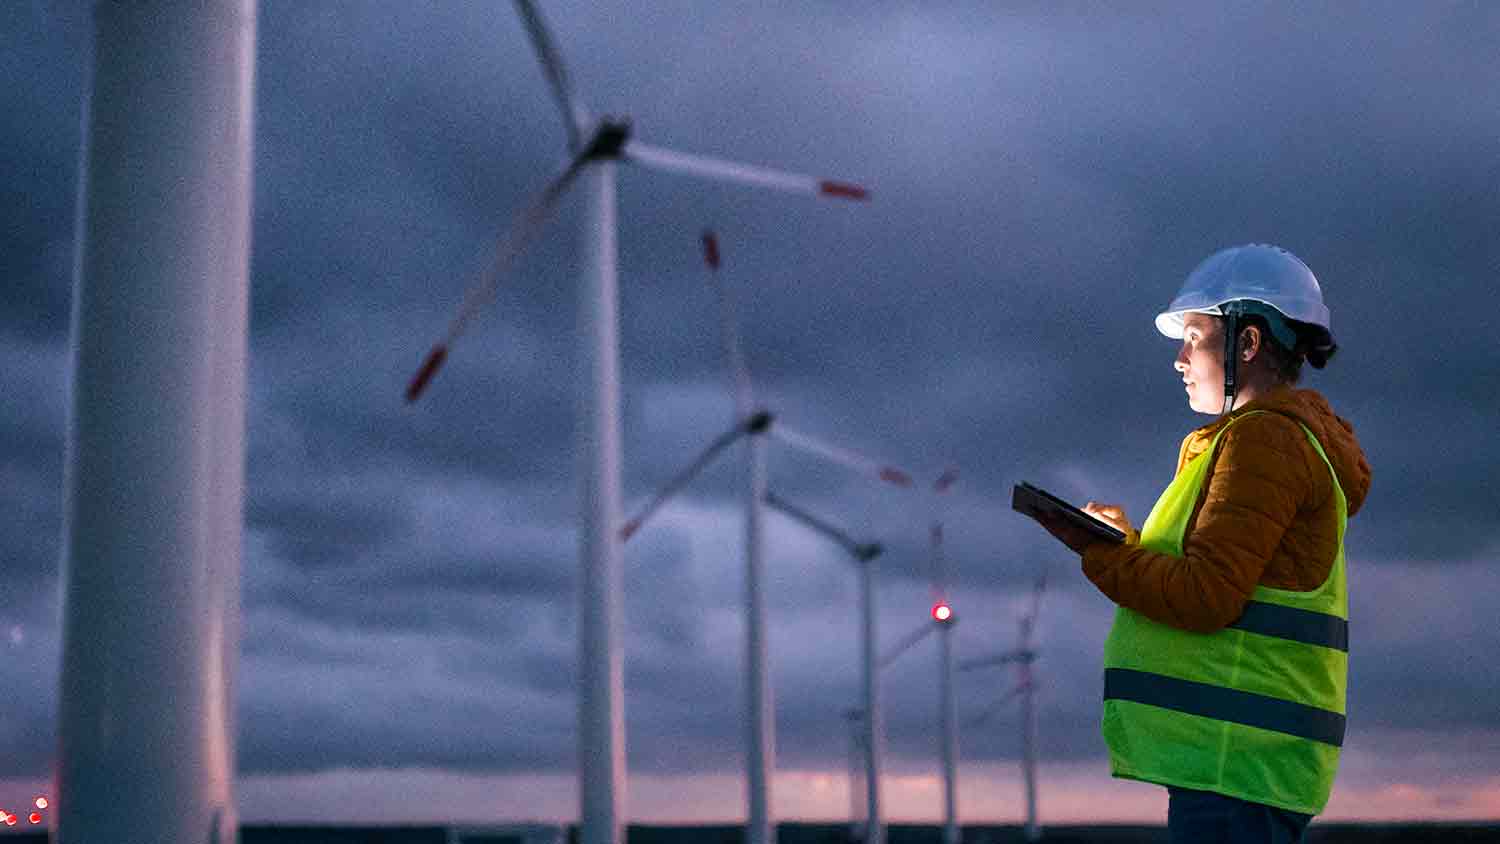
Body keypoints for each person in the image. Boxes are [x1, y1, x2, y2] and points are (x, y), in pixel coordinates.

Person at [1027, 244, 1372, 844]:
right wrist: (1128, 544)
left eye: (1194, 337)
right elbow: (1221, 576)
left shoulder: (1265, 441)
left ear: (1247, 343)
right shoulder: (1262, 440)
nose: (1180, 360)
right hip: (1241, 766)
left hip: (1236, 768)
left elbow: (1208, 595)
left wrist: (1102, 552)